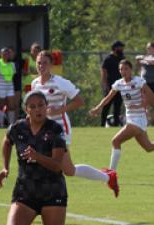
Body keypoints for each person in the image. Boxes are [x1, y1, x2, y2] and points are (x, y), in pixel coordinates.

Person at [0, 90, 70, 225]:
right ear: (26, 109)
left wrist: (37, 156)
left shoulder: (55, 129)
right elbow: (6, 141)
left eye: (41, 105)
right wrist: (5, 168)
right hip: (25, 191)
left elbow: (57, 166)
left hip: (52, 192)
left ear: (47, 107)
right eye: (33, 106)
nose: (38, 109)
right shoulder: (17, 128)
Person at [32, 50, 119, 197]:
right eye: (39, 63)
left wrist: (60, 109)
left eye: (45, 63)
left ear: (51, 64)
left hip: (60, 129)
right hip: (44, 130)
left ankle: (44, 199)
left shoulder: (60, 82)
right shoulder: (35, 84)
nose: (41, 66)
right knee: (68, 170)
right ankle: (108, 177)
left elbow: (79, 101)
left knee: (63, 169)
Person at [90, 59, 154, 171]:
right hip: (131, 119)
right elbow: (108, 98)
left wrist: (144, 104)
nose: (123, 71)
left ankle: (111, 174)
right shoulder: (119, 83)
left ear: (131, 70)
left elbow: (151, 96)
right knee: (149, 147)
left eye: (126, 69)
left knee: (115, 141)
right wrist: (98, 108)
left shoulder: (138, 81)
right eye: (121, 69)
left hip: (138, 120)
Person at [136, 42, 154, 126]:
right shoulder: (146, 57)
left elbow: (153, 62)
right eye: (147, 48)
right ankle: (147, 122)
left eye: (149, 48)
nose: (148, 50)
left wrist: (143, 58)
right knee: (145, 102)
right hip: (145, 83)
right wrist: (142, 60)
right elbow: (138, 61)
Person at [100, 41, 125, 127]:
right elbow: (104, 73)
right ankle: (102, 125)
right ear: (115, 48)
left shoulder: (122, 58)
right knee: (106, 106)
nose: (122, 49)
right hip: (110, 86)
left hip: (121, 86)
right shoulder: (108, 59)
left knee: (117, 108)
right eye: (120, 47)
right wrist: (105, 85)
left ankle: (116, 125)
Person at [0, 47, 16, 127]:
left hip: (10, 87)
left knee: (11, 106)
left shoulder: (12, 64)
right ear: (0, 55)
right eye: (3, 54)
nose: (5, 55)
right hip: (0, 88)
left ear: (9, 55)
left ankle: (11, 125)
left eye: (7, 54)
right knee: (1, 106)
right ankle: (1, 125)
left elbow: (12, 77)